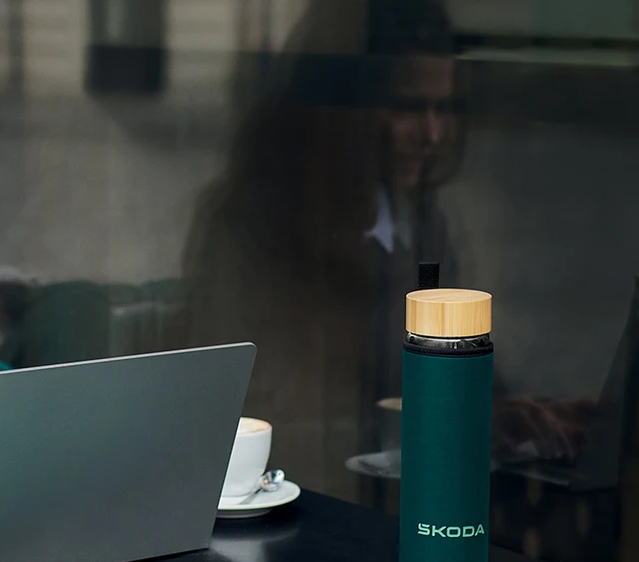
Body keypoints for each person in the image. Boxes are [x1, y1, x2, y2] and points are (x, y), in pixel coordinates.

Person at [181, 0, 462, 500]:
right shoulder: (249, 227)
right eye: (405, 107)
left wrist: (500, 414)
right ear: (342, 108)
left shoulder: (422, 225)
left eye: (442, 108)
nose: (432, 136)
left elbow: (440, 370)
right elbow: (252, 413)